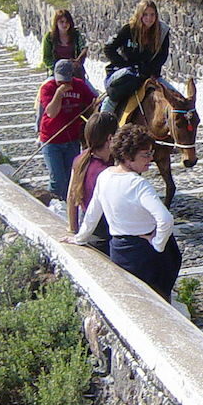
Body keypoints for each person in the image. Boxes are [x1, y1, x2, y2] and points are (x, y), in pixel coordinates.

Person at [67, 124, 182, 300]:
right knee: (157, 300)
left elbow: (92, 214)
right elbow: (165, 219)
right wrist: (157, 243)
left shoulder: (104, 176)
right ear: (128, 156)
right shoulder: (138, 185)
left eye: (151, 153)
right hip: (147, 254)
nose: (150, 159)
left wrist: (80, 238)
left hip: (119, 250)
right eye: (145, 155)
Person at [39, 59, 96, 201]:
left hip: (71, 139)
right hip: (51, 140)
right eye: (60, 80)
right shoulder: (48, 88)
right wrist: (59, 93)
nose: (64, 84)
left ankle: (68, 206)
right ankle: (53, 205)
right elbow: (51, 112)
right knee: (57, 180)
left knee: (72, 178)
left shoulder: (79, 85)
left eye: (66, 80)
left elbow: (92, 102)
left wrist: (94, 105)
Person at [100, 0, 171, 115]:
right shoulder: (128, 29)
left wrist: (149, 70)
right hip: (128, 73)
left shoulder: (162, 32)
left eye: (152, 14)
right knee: (113, 99)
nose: (149, 18)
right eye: (145, 14)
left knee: (178, 99)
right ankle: (102, 124)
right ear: (139, 15)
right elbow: (109, 49)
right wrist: (126, 65)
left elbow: (163, 56)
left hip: (150, 74)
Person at [66, 112, 119, 254]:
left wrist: (73, 229)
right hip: (105, 237)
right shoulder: (106, 172)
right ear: (110, 138)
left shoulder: (80, 158)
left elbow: (71, 197)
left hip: (88, 230)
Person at [41, 9, 87, 77]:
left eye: (67, 22)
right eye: (61, 22)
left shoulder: (76, 35)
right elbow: (46, 58)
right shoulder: (49, 37)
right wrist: (58, 68)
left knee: (89, 88)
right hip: (55, 73)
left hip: (75, 72)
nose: (64, 24)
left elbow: (83, 49)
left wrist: (78, 61)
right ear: (56, 23)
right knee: (45, 87)